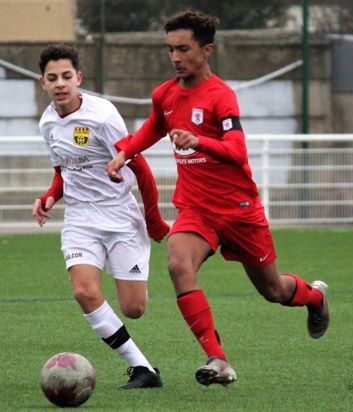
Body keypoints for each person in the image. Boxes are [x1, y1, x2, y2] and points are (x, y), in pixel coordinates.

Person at [106, 10, 330, 387]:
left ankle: (314, 298)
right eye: (170, 50)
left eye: (183, 49)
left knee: (273, 290)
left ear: (206, 50)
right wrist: (124, 152)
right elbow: (152, 128)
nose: (175, 57)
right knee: (178, 264)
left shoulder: (221, 97)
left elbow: (238, 151)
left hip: (240, 211)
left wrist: (201, 142)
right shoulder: (165, 94)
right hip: (196, 209)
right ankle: (218, 359)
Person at [33, 43, 169, 390]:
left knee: (134, 308)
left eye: (66, 76)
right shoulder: (48, 123)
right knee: (84, 291)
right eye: (53, 78)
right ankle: (143, 369)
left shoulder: (103, 115)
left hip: (120, 216)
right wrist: (49, 197)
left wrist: (154, 221)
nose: (60, 83)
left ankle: (144, 367)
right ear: (43, 83)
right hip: (80, 219)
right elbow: (62, 172)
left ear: (78, 78)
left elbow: (140, 167)